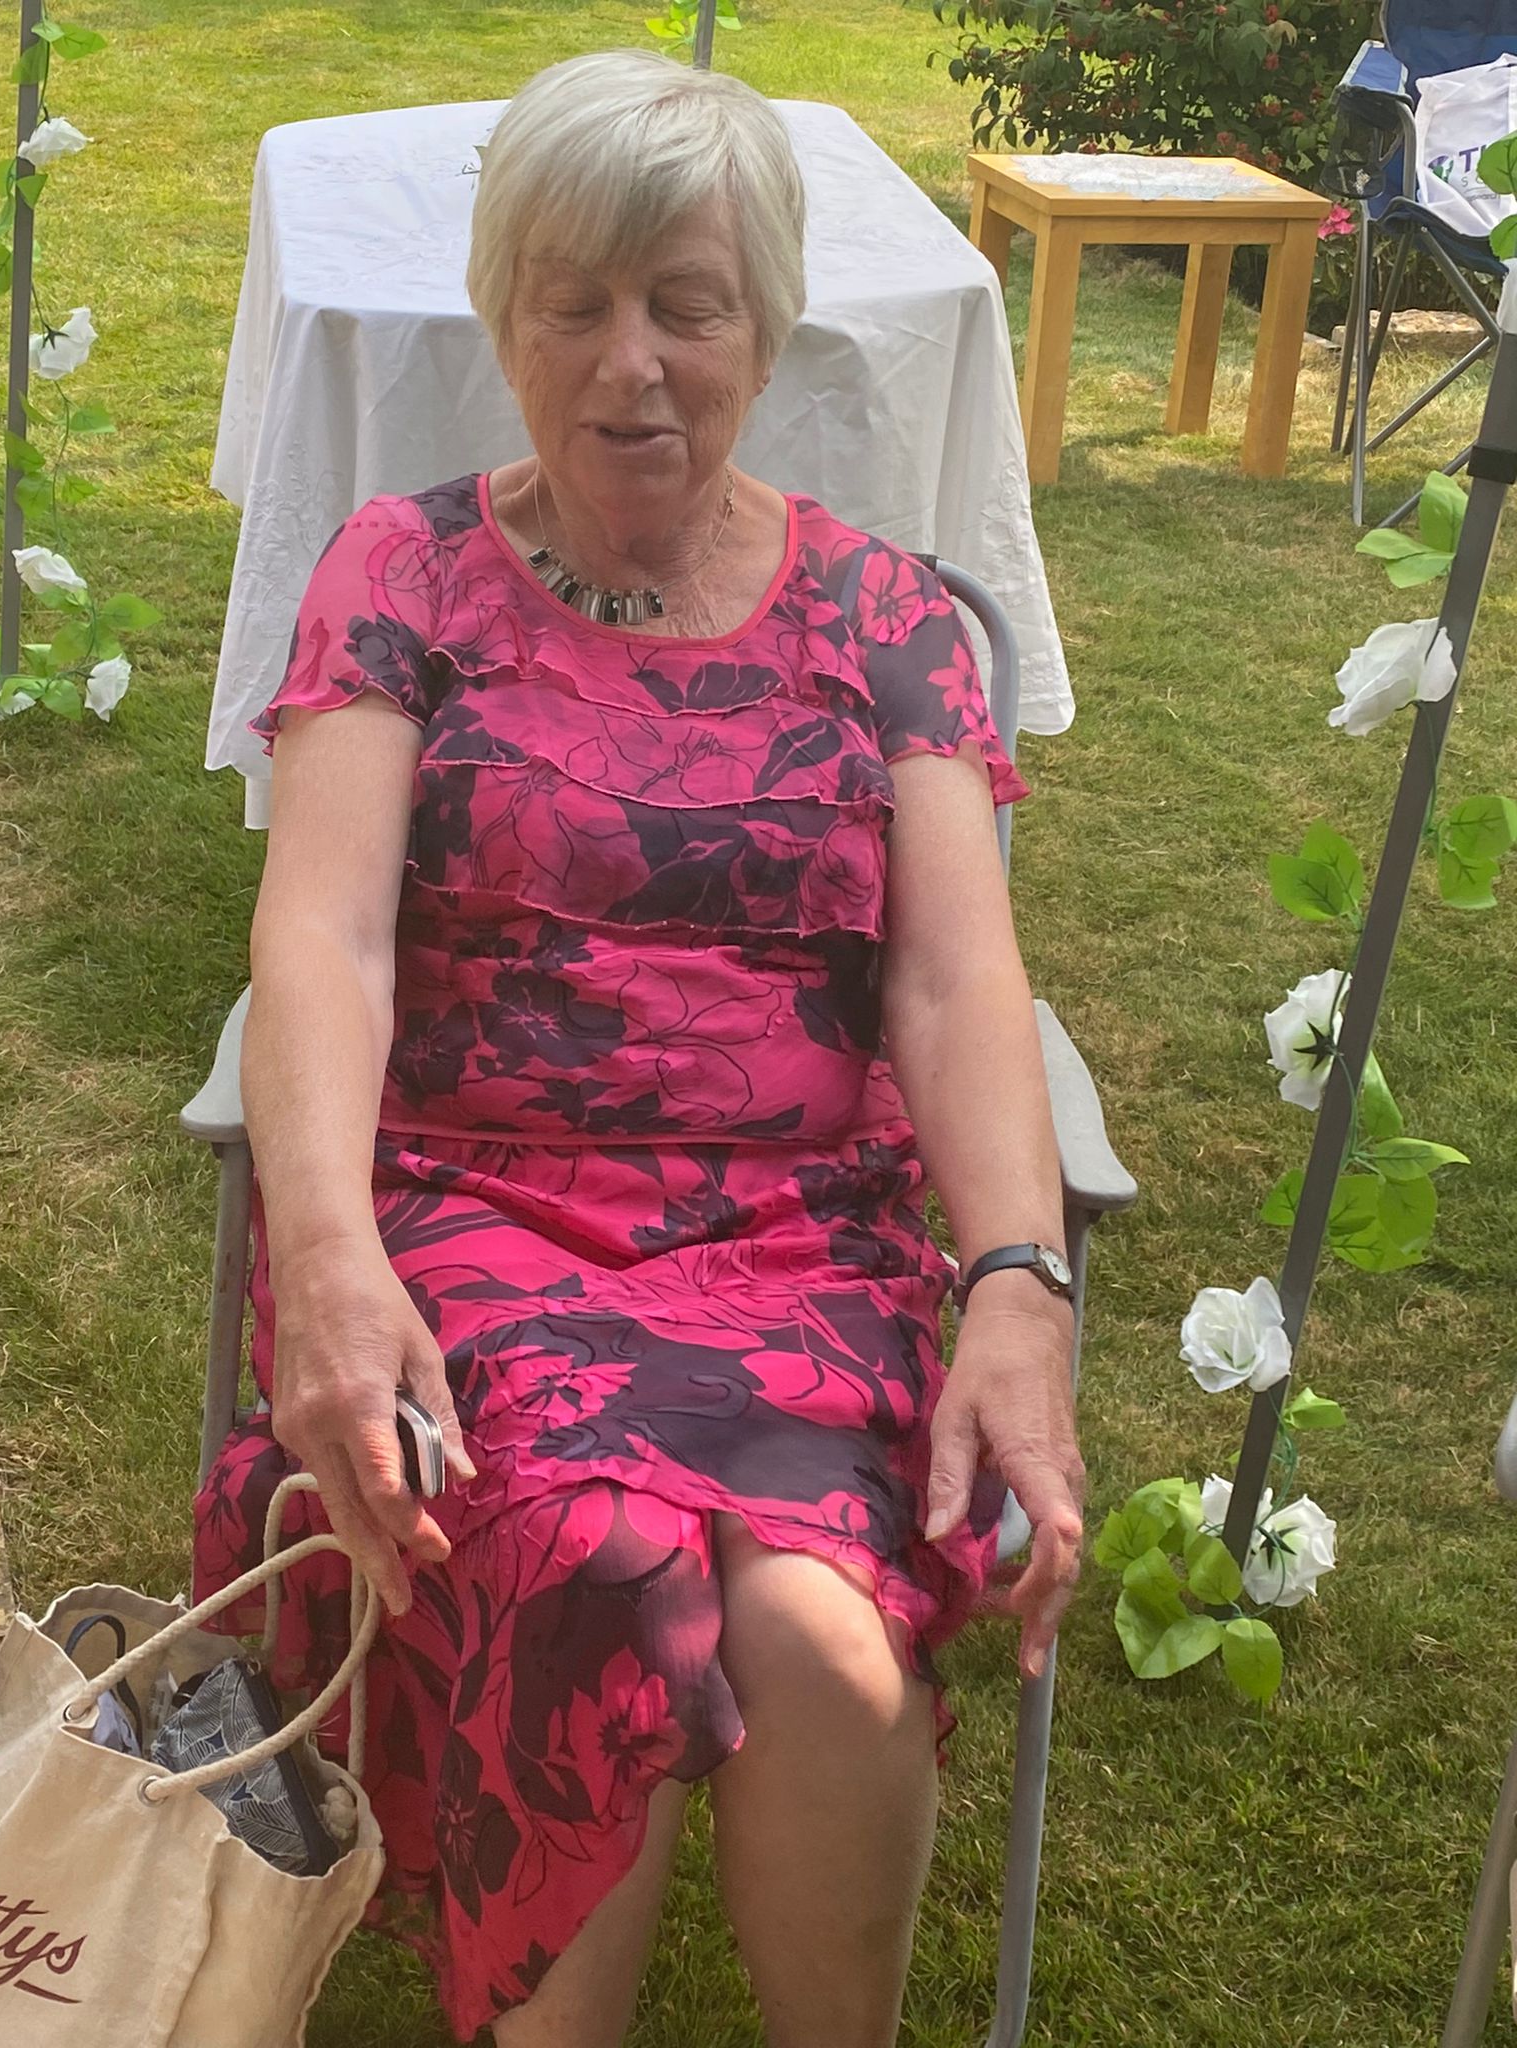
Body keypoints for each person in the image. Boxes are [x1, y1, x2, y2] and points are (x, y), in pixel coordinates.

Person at [192, 48, 1083, 2048]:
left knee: (822, 1649)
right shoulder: (403, 575)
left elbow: (956, 979)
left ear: (765, 325)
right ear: (502, 320)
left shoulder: (885, 619)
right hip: (470, 1218)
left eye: (686, 304)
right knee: (596, 1569)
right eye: (574, 303)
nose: (632, 364)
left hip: (798, 1244)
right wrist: (326, 1259)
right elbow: (324, 934)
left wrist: (1019, 1284)